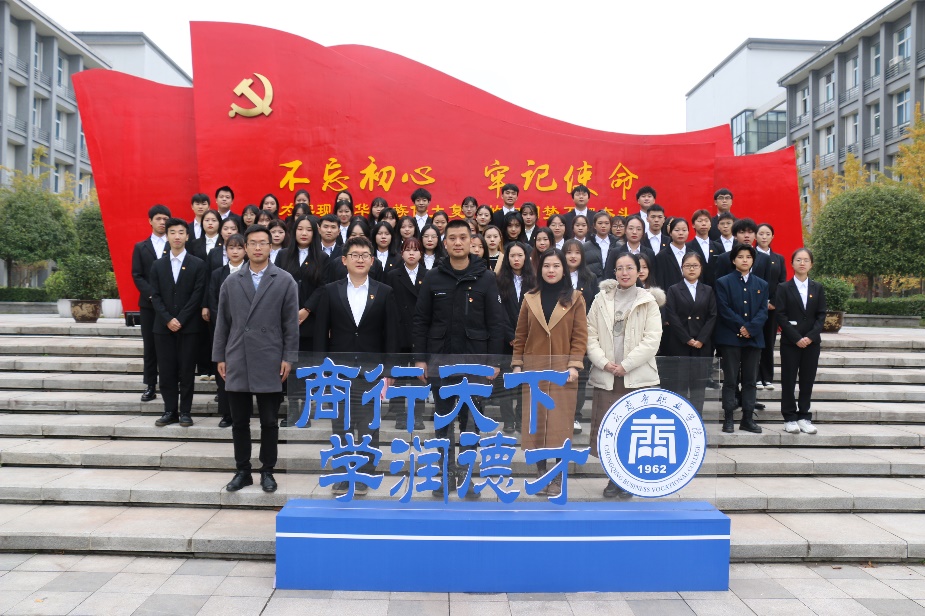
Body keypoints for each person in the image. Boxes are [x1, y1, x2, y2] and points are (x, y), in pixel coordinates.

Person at [413, 219, 506, 496]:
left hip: (475, 363)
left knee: (471, 422)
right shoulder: (433, 277)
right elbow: (420, 320)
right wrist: (420, 359)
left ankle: (465, 477)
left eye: (462, 237)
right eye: (452, 238)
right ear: (445, 243)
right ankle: (445, 476)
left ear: (471, 241)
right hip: (440, 362)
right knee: (443, 421)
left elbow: (496, 323)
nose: (457, 242)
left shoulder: (485, 277)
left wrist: (494, 362)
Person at [213, 224, 299, 494]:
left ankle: (267, 470)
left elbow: (290, 325)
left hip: (270, 357)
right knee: (239, 421)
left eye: (263, 242)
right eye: (253, 243)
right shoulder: (231, 282)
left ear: (271, 247)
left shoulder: (284, 280)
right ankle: (243, 471)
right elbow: (222, 323)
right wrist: (219, 356)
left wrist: (288, 357)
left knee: (269, 421)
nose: (258, 247)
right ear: (245, 247)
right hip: (237, 356)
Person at [314, 236, 399, 496]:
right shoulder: (330, 290)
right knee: (340, 424)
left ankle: (365, 473)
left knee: (368, 425)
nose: (360, 259)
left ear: (372, 261)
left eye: (364, 255)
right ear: (344, 260)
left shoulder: (384, 292)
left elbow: (391, 334)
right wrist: (321, 368)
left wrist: (390, 369)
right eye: (354, 255)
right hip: (338, 370)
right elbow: (320, 334)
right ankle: (342, 473)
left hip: (371, 371)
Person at [512, 249, 587, 498]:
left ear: (564, 270)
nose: (551, 270)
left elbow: (580, 336)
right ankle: (541, 473)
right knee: (536, 425)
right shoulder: (530, 298)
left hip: (563, 372)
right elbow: (520, 335)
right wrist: (517, 364)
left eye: (556, 266)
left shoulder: (575, 299)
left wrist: (574, 365)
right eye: (546, 266)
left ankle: (557, 476)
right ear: (539, 269)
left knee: (559, 426)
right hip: (534, 370)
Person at [587, 252, 662, 498]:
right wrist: (604, 362)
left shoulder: (648, 301)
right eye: (620, 268)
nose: (624, 272)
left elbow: (652, 340)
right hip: (607, 376)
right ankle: (613, 478)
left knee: (631, 430)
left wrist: (626, 365)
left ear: (639, 271)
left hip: (636, 377)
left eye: (630, 267)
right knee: (609, 431)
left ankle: (628, 478)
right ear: (614, 272)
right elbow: (589, 334)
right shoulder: (601, 299)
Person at [149, 218, 207, 428]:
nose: (177, 236)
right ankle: (169, 410)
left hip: (189, 327)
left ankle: (185, 412)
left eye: (181, 232)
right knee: (166, 371)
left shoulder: (198, 264)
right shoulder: (157, 265)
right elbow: (155, 296)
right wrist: (168, 319)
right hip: (163, 328)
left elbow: (197, 295)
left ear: (187, 236)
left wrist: (180, 319)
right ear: (167, 236)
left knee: (186, 371)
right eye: (172, 232)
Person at [713, 244, 768, 434]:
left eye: (748, 257)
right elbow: (724, 309)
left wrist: (750, 329)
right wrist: (741, 327)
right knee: (730, 380)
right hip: (730, 338)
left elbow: (763, 311)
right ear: (733, 260)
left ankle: (747, 419)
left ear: (753, 260)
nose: (745, 260)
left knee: (750, 380)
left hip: (753, 339)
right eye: (740, 256)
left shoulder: (761, 284)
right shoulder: (723, 282)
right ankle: (728, 418)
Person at [776, 248, 826, 435]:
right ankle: (789, 417)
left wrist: (810, 337)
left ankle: (804, 416)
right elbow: (780, 315)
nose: (802, 263)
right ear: (792, 264)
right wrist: (797, 337)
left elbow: (821, 315)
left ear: (811, 264)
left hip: (812, 343)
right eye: (798, 260)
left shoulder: (817, 287)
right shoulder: (783, 288)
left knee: (807, 379)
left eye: (806, 260)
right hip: (791, 342)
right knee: (788, 379)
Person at [203, 233, 247, 427]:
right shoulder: (217, 274)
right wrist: (224, 322)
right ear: (226, 251)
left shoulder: (251, 272)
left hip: (246, 330)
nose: (235, 251)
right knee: (224, 371)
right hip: (222, 329)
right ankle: (227, 413)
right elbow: (213, 300)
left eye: (239, 247)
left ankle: (244, 411)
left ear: (245, 250)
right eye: (231, 248)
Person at [664, 252, 716, 413]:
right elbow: (672, 316)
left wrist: (701, 339)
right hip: (680, 343)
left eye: (695, 266)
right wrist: (687, 338)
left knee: (698, 386)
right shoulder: (673, 289)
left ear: (701, 268)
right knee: (679, 385)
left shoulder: (708, 290)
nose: (691, 269)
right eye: (687, 266)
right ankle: (679, 417)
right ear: (682, 268)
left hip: (701, 345)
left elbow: (712, 316)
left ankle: (696, 418)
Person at [132, 204, 171, 402]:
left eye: (165, 219)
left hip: (170, 305)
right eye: (158, 219)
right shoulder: (141, 247)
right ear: (150, 221)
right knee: (150, 346)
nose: (162, 222)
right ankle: (150, 385)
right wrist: (152, 295)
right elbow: (137, 275)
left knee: (169, 347)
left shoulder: (175, 245)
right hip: (148, 305)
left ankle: (170, 383)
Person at [387, 237, 427, 430]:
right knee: (399, 375)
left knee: (420, 376)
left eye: (415, 250)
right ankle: (399, 415)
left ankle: (418, 415)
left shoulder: (428, 275)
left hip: (420, 331)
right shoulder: (392, 275)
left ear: (421, 254)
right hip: (399, 331)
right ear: (401, 253)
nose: (411, 253)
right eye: (407, 249)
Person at [495, 242, 535, 434]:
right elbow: (498, 312)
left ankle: (520, 419)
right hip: (505, 340)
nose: (516, 259)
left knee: (524, 383)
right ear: (507, 258)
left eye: (520, 255)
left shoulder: (534, 281)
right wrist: (511, 336)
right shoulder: (499, 281)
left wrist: (523, 337)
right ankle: (508, 421)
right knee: (506, 383)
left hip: (529, 340)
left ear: (526, 257)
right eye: (512, 256)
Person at [563, 239, 598, 434]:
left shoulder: (590, 278)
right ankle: (560, 414)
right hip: (561, 333)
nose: (573, 256)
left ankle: (575, 415)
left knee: (580, 375)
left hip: (582, 333)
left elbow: (594, 306)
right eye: (569, 252)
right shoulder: (556, 275)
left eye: (577, 252)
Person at [755, 223, 787, 390]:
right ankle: (756, 377)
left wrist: (773, 302)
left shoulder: (778, 258)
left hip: (772, 308)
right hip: (754, 306)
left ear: (772, 237)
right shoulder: (750, 256)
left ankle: (767, 377)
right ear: (756, 236)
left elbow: (782, 282)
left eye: (768, 234)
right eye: (761, 233)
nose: (764, 237)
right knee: (755, 341)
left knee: (769, 341)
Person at [602, 216, 654, 280]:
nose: (634, 232)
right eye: (631, 228)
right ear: (625, 231)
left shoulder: (649, 253)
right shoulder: (615, 252)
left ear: (643, 232)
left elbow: (652, 276)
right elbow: (609, 276)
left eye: (638, 229)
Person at [655, 217, 690, 291]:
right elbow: (659, 283)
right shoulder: (661, 257)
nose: (681, 233)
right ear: (670, 233)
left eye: (684, 230)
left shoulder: (693, 255)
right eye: (677, 230)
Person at [686, 209, 719, 287]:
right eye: (700, 221)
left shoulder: (718, 246)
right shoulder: (687, 247)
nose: (703, 223)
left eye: (706, 221)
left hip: (715, 288)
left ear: (710, 224)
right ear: (693, 225)